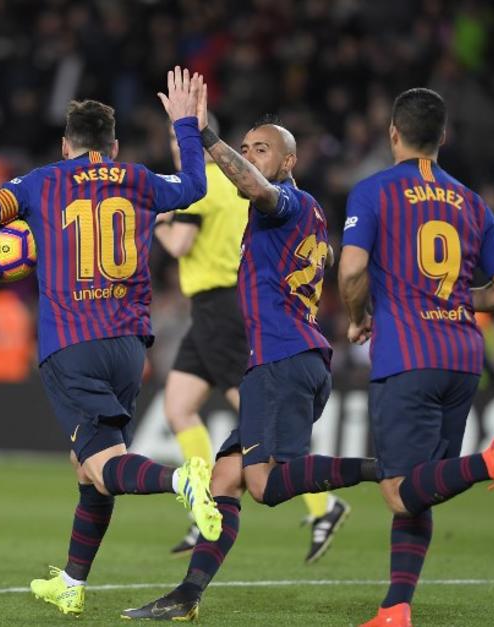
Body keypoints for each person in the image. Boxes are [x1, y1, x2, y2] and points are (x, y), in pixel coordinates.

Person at [0, 67, 220, 617]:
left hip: (72, 344)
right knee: (89, 469)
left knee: (103, 464)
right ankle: (73, 583)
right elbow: (195, 186)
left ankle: (182, 481)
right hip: (128, 345)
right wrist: (186, 127)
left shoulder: (39, 183)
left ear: (66, 144)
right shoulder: (138, 179)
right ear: (114, 146)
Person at [122, 98, 378, 621]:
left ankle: (382, 469)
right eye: (245, 148)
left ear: (289, 161)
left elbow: (254, 190)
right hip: (286, 358)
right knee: (225, 480)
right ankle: (186, 596)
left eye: (262, 149)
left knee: (261, 483)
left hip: (283, 360)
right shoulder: (293, 214)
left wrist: (206, 136)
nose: (249, 156)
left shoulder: (283, 200)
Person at [337, 88, 494, 627]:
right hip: (463, 355)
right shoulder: (473, 202)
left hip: (408, 354)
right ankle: (396, 608)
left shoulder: (373, 191)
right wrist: (451, 297)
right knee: (422, 487)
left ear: (393, 134)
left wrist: (357, 317)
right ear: (442, 138)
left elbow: (353, 270)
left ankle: (489, 462)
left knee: (399, 492)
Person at [155, 115, 351, 561]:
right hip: (210, 308)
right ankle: (202, 501)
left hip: (229, 307)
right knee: (178, 407)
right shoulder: (242, 185)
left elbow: (180, 243)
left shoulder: (203, 183)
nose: (173, 144)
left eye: (177, 136)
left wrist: (158, 219)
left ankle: (323, 503)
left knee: (255, 416)